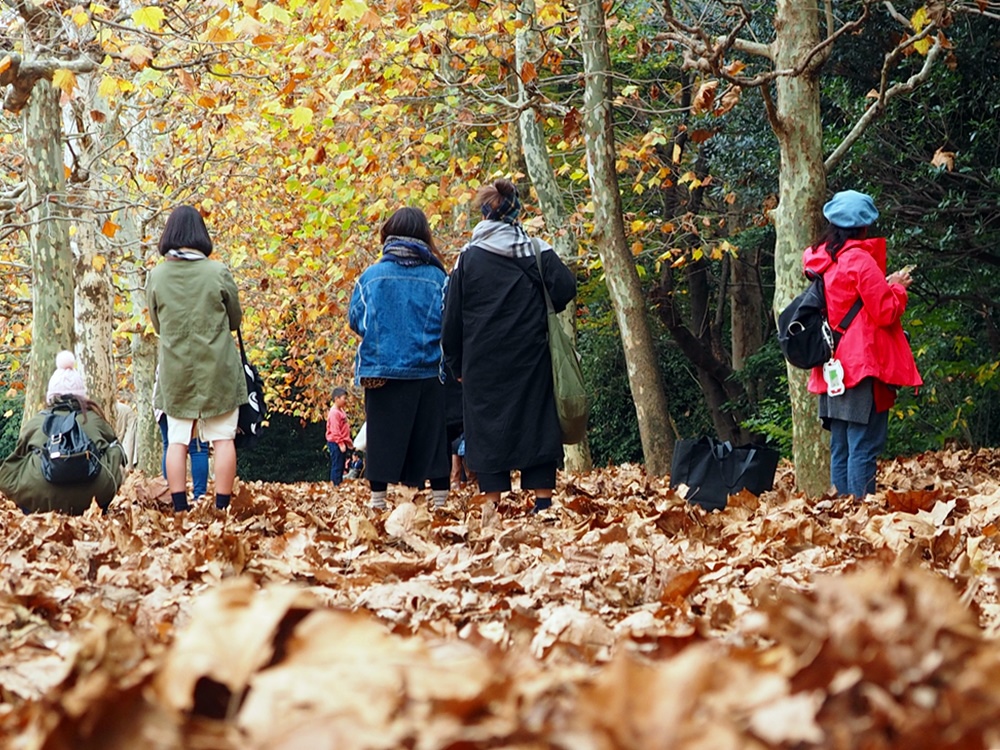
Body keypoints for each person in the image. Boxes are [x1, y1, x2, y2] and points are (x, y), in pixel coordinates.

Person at [442, 178, 576, 513]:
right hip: (531, 354)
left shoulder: (467, 258)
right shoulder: (535, 248)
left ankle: (492, 503)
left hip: (481, 360)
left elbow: (451, 317)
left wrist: (456, 363)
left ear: (484, 214)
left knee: (487, 427)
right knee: (537, 422)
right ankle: (543, 500)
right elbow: (566, 288)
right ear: (515, 210)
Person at [803, 189, 922, 498]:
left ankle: (842, 515)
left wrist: (886, 283)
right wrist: (897, 289)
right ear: (864, 227)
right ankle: (861, 514)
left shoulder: (824, 258)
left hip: (833, 365)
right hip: (860, 366)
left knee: (840, 446)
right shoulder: (859, 259)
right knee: (863, 446)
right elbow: (885, 311)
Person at [348, 207, 451, 511]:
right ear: (424, 236)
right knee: (432, 439)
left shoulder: (370, 277)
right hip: (428, 369)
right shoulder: (437, 277)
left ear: (388, 235)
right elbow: (448, 322)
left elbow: (356, 319)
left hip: (382, 371)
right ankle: (440, 503)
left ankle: (378, 502)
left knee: (382, 437)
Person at [146, 205, 246, 512]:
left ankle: (180, 507)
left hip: (176, 368)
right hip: (218, 367)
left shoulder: (157, 275)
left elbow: (157, 324)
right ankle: (221, 507)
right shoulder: (217, 272)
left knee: (177, 440)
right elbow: (234, 320)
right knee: (222, 439)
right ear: (200, 234)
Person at [0, 352, 125, 514]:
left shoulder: (37, 421)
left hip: (40, 495)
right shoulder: (94, 419)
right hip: (93, 495)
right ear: (81, 396)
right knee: (115, 449)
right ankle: (98, 506)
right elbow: (116, 449)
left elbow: (18, 455)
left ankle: (32, 508)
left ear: (51, 396)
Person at [325, 387, 352, 486]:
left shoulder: (341, 411)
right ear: (336, 399)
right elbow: (335, 430)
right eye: (344, 398)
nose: (345, 401)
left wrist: (349, 442)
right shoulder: (334, 413)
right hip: (336, 443)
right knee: (337, 465)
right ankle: (335, 485)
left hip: (342, 442)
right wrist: (340, 443)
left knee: (341, 465)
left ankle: (339, 484)